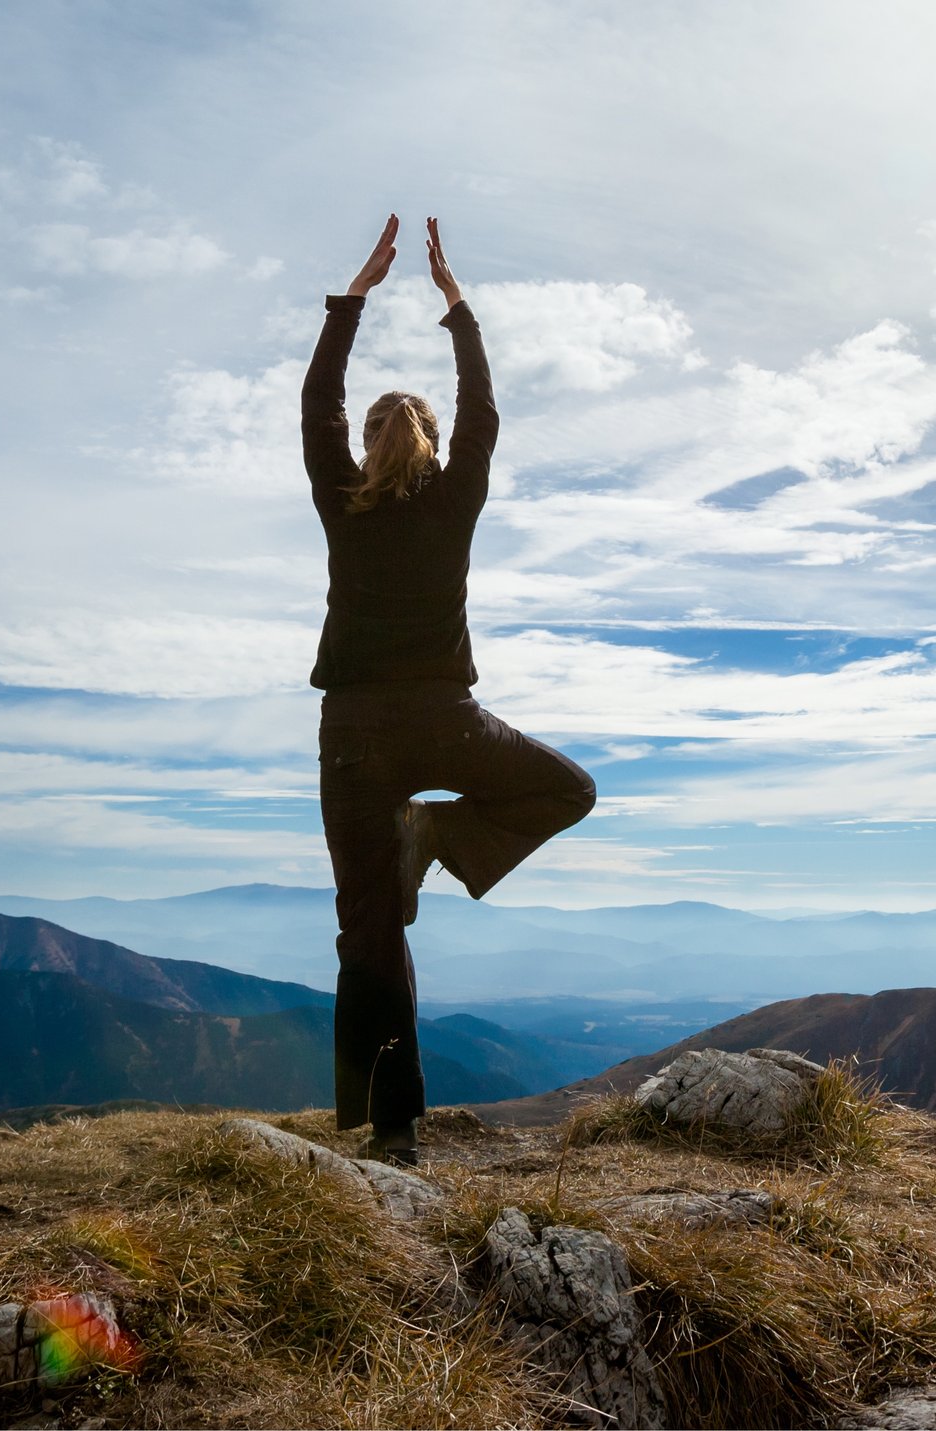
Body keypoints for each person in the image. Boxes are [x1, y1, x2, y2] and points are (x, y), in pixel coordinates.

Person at [303, 215, 597, 1165]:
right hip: (442, 723)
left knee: (369, 932)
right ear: (429, 443)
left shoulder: (340, 502)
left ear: (379, 443)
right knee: (566, 789)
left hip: (352, 735)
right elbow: (484, 407)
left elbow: (319, 402)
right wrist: (455, 304)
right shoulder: (453, 493)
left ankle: (394, 1135)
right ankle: (432, 834)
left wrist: (357, 293)